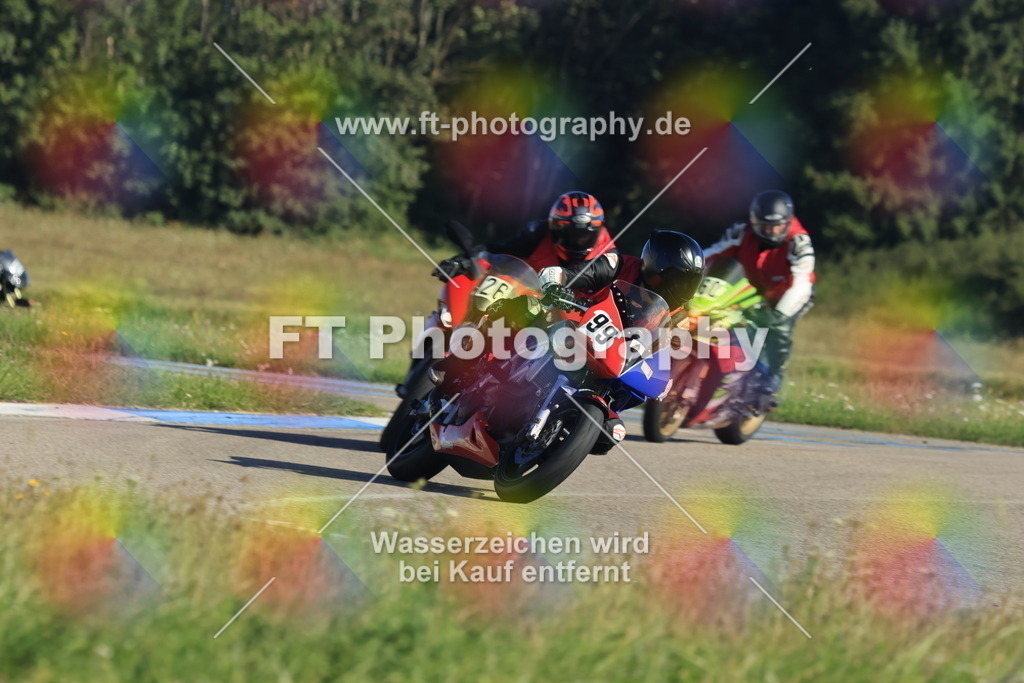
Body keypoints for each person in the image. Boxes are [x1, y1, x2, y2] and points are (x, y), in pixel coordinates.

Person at [702, 190, 816, 399]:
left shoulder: (799, 242)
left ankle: (769, 385)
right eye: (766, 226)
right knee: (719, 320)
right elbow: (713, 253)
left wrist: (779, 314)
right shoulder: (740, 232)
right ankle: (719, 369)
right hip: (749, 290)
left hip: (788, 295)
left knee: (774, 331)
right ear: (754, 222)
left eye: (778, 226)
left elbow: (802, 282)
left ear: (787, 222)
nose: (772, 232)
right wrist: (688, 266)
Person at [433, 191, 619, 292]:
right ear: (554, 227)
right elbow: (500, 252)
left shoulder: (607, 251)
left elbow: (603, 270)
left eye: (586, 235)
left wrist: (563, 277)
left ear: (599, 229)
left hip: (578, 326)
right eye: (571, 234)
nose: (579, 241)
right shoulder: (537, 234)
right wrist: (465, 261)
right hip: (528, 308)